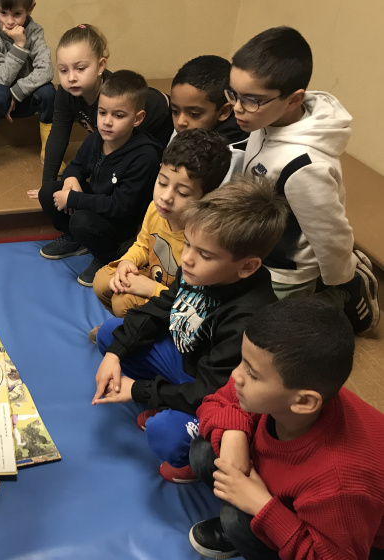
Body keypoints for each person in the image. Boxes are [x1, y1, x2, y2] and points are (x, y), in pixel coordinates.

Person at [91, 175, 287, 483]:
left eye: (205, 254)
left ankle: (187, 457)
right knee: (111, 335)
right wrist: (116, 353)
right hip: (187, 363)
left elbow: (210, 391)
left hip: (216, 391)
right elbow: (160, 308)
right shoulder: (199, 271)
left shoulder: (247, 316)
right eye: (190, 245)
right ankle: (165, 398)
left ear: (247, 266)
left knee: (165, 435)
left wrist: (139, 390)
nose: (188, 259)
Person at [188, 298, 384, 559]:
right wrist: (234, 435)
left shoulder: (339, 484)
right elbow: (219, 401)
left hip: (343, 537)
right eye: (242, 361)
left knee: (235, 518)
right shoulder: (297, 395)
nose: (236, 375)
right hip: (295, 488)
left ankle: (253, 534)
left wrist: (263, 507)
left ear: (304, 401)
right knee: (204, 450)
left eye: (253, 374)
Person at [229, 26, 379, 334]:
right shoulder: (264, 117)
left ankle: (347, 291)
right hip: (258, 249)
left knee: (273, 337)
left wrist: (342, 276)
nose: (236, 108)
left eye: (251, 99)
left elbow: (330, 235)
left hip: (287, 271)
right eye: (233, 93)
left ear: (294, 99)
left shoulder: (306, 167)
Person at [91, 128, 232, 326]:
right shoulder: (156, 208)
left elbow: (195, 301)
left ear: (207, 196)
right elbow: (142, 244)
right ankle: (125, 326)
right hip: (154, 276)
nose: (165, 197)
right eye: (162, 182)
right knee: (102, 280)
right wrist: (126, 262)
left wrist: (150, 289)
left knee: (123, 302)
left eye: (182, 193)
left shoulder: (205, 238)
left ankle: (141, 332)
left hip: (178, 300)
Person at [36, 70, 162, 287]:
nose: (107, 122)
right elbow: (76, 166)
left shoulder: (145, 156)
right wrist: (71, 179)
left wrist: (74, 199)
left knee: (81, 220)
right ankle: (74, 240)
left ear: (137, 118)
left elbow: (120, 207)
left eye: (119, 115)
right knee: (48, 192)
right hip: (95, 204)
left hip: (120, 224)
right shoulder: (96, 139)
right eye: (103, 113)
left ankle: (106, 258)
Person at [30, 24, 173, 190]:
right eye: (63, 70)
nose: (71, 78)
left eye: (80, 68)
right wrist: (48, 184)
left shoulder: (112, 96)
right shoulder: (66, 92)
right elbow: (58, 135)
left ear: (100, 66)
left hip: (164, 123)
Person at [0, 0, 54, 186]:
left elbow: (46, 71)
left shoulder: (35, 31)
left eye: (17, 14)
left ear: (30, 9)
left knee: (49, 91)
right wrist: (20, 45)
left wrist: (15, 93)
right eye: (3, 13)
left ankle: (50, 150)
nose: (9, 21)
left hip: (22, 97)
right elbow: (0, 78)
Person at [169, 55, 249, 182]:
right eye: (174, 111)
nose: (180, 122)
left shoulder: (233, 156)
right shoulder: (188, 129)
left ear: (224, 112)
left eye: (194, 114)